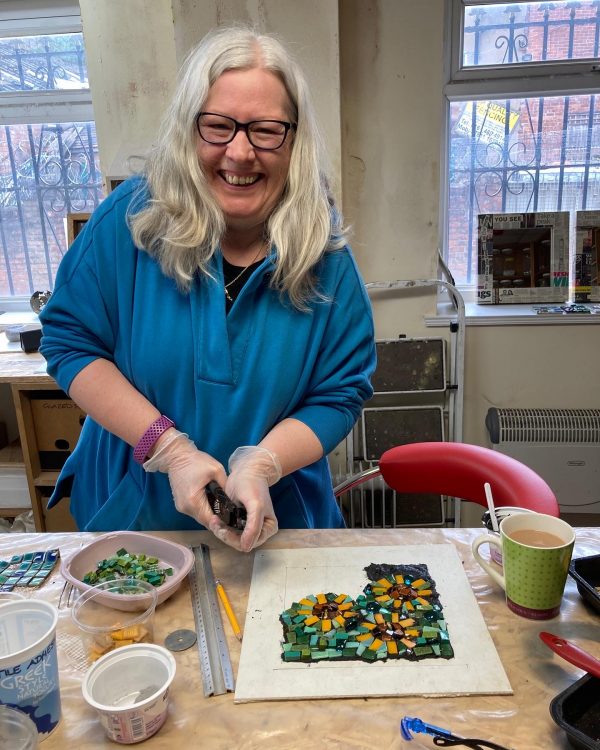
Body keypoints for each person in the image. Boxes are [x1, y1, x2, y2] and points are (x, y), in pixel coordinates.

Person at [39, 24, 376, 552]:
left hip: (278, 524)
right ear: (188, 131)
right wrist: (168, 449)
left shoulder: (325, 257)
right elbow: (69, 342)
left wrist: (263, 464)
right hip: (137, 521)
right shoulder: (130, 222)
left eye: (266, 130)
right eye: (217, 126)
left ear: (294, 141)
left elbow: (340, 392)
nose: (240, 153)